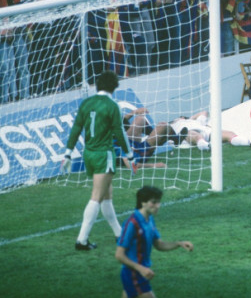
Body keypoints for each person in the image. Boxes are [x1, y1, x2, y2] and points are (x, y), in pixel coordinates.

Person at [62, 70, 136, 251]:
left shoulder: (86, 103)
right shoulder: (112, 105)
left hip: (89, 154)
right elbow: (120, 133)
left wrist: (68, 153)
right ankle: (82, 240)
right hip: (104, 154)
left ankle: (120, 234)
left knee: (106, 197)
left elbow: (76, 128)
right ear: (114, 86)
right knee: (96, 197)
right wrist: (131, 156)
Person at [116, 186, 194, 298]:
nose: (158, 206)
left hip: (140, 271)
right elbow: (119, 255)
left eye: (159, 202)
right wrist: (140, 268)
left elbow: (159, 244)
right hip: (133, 272)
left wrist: (179, 244)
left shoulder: (150, 219)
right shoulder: (132, 223)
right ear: (143, 202)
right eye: (154, 202)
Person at [169, 111, 251, 151]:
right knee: (192, 134)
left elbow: (204, 112)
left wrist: (190, 117)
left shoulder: (193, 120)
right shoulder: (173, 125)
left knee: (229, 134)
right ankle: (206, 146)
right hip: (187, 134)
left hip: (206, 131)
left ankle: (250, 142)